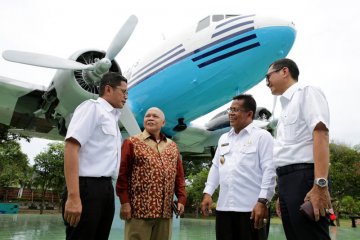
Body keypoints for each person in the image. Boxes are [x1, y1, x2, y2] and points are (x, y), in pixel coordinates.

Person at [266, 58, 331, 239]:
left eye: (268, 76)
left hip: (305, 178)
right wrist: (283, 192)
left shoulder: (307, 92)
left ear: (284, 71)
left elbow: (321, 133)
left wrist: (320, 184)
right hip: (288, 181)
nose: (267, 83)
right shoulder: (285, 108)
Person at [62, 72, 128, 240]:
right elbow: (71, 148)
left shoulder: (112, 118)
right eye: (123, 91)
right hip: (86, 188)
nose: (126, 96)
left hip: (106, 188)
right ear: (108, 89)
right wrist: (74, 197)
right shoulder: (92, 108)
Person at [201, 94, 276, 240]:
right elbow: (216, 167)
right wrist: (208, 193)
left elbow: (270, 170)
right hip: (224, 209)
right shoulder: (223, 139)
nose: (230, 114)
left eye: (235, 110)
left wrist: (263, 201)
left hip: (251, 209)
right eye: (230, 110)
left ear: (249, 114)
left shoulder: (262, 137)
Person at [116, 107, 186, 240]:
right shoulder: (131, 143)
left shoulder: (173, 146)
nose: (150, 118)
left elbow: (179, 177)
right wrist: (124, 203)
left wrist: (182, 199)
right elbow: (122, 175)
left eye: (155, 116)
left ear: (163, 123)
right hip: (138, 212)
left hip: (165, 214)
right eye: (147, 116)